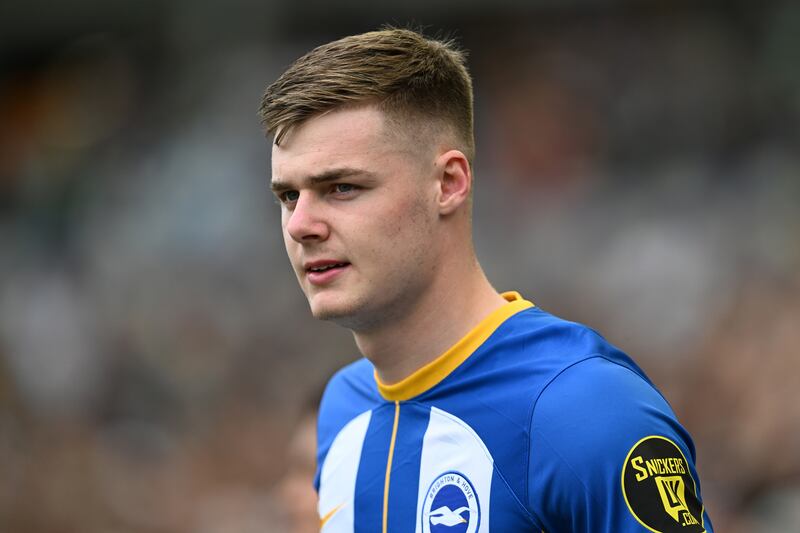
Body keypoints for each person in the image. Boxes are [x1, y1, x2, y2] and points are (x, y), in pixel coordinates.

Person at [259, 28, 714, 533]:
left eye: (342, 187)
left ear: (449, 183)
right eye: (288, 197)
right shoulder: (340, 412)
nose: (301, 224)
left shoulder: (585, 408)